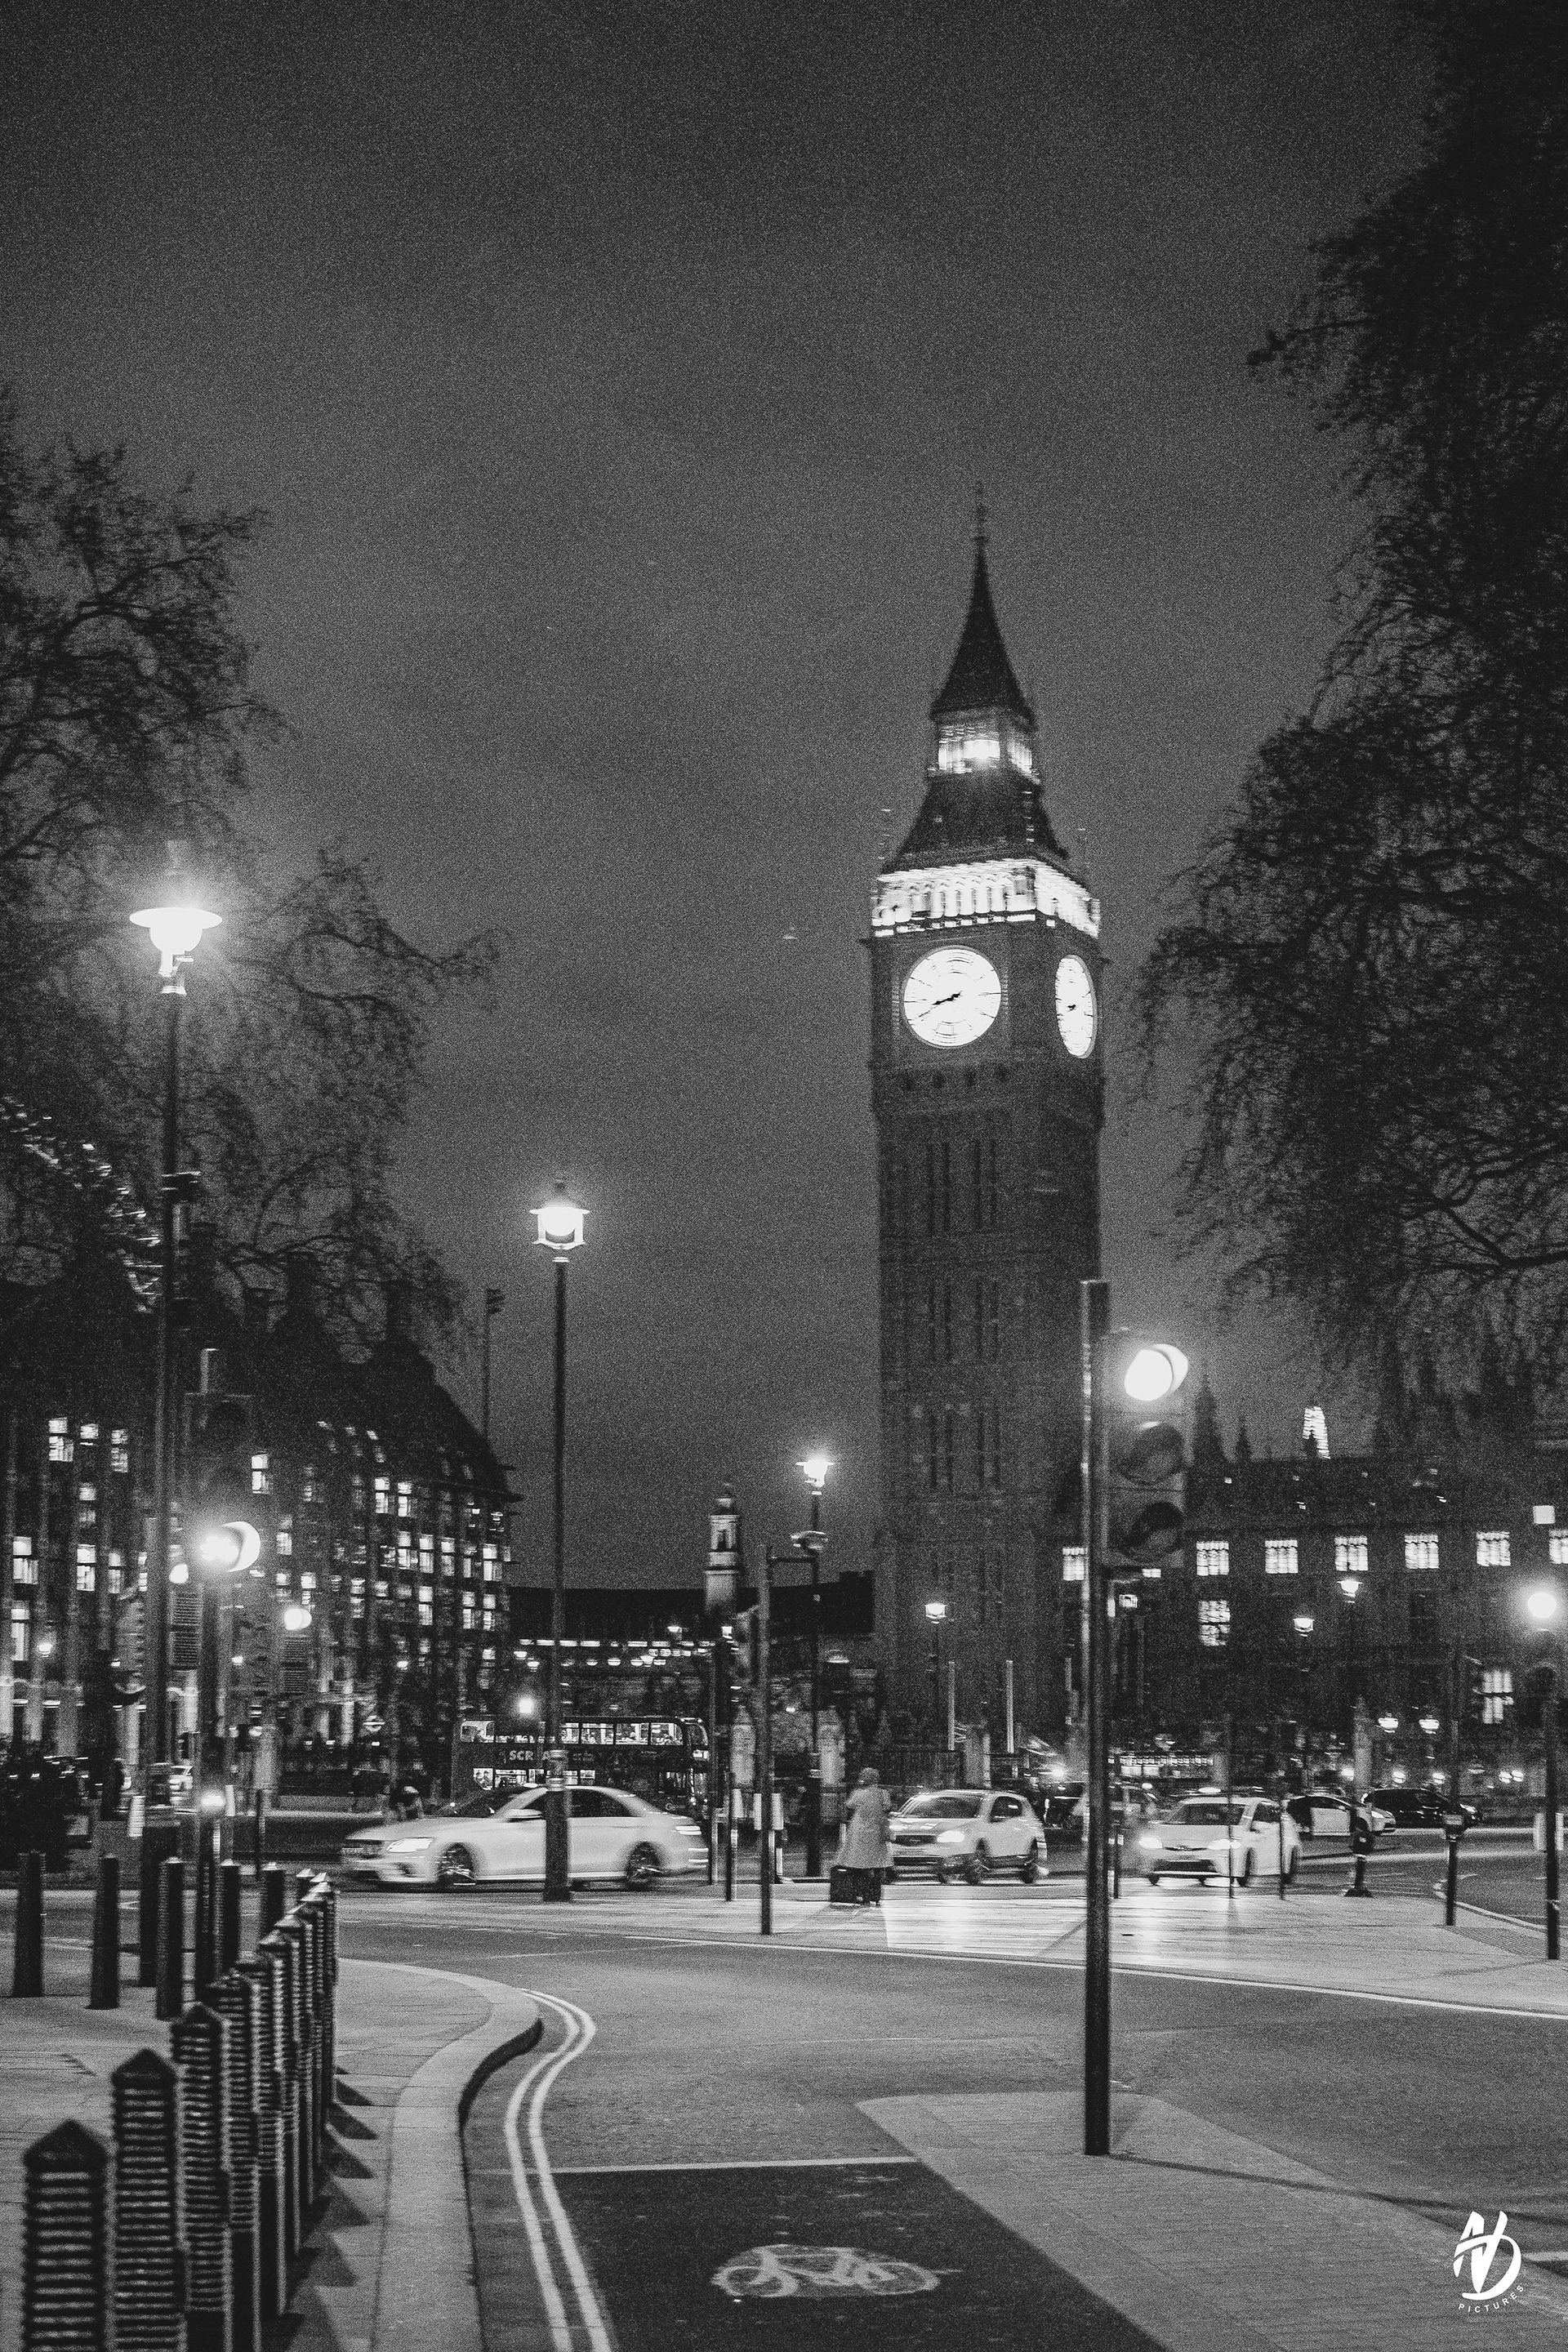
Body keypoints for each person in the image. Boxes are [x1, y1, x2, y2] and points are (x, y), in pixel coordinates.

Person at [840, 1766, 892, 1905]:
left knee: (860, 1866)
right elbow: (887, 1807)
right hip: (877, 1833)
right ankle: (876, 1895)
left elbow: (849, 1805)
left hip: (860, 1833)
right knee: (877, 1865)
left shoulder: (859, 1793)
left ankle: (863, 1895)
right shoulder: (883, 1794)